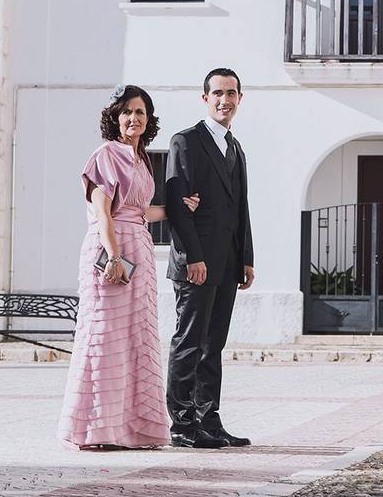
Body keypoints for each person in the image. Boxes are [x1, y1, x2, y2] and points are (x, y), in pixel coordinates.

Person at [58, 85, 200, 450]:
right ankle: (98, 430)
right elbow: (102, 211)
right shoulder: (106, 154)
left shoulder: (141, 159)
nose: (133, 119)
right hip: (112, 254)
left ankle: (131, 430)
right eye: (127, 113)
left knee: (135, 341)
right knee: (105, 338)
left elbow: (141, 212)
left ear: (148, 119)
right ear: (115, 119)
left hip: (140, 250)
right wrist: (115, 257)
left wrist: (178, 208)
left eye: (140, 112)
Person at [164, 68, 255, 449]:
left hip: (227, 262)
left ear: (239, 98)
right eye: (217, 93)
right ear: (205, 99)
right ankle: (182, 424)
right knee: (189, 342)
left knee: (213, 345)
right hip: (196, 263)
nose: (224, 100)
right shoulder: (185, 141)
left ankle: (208, 418)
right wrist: (191, 258)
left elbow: (241, 209)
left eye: (231, 93)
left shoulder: (235, 147)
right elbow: (176, 206)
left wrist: (246, 257)